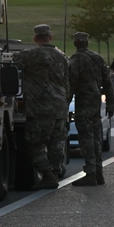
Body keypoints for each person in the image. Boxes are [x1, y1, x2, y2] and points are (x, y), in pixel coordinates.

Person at [12, 24, 70, 190]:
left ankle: (47, 175)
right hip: (60, 107)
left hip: (40, 107)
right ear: (50, 37)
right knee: (56, 143)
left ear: (35, 39)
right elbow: (67, 84)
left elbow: (12, 63)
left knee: (34, 143)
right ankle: (54, 171)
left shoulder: (31, 55)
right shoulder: (62, 56)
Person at [68, 32, 114, 186]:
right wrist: (110, 103)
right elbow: (108, 82)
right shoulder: (98, 58)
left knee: (86, 138)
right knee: (96, 138)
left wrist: (66, 102)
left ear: (76, 43)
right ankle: (98, 172)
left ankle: (90, 173)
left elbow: (71, 83)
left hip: (83, 101)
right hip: (96, 101)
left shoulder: (75, 59)